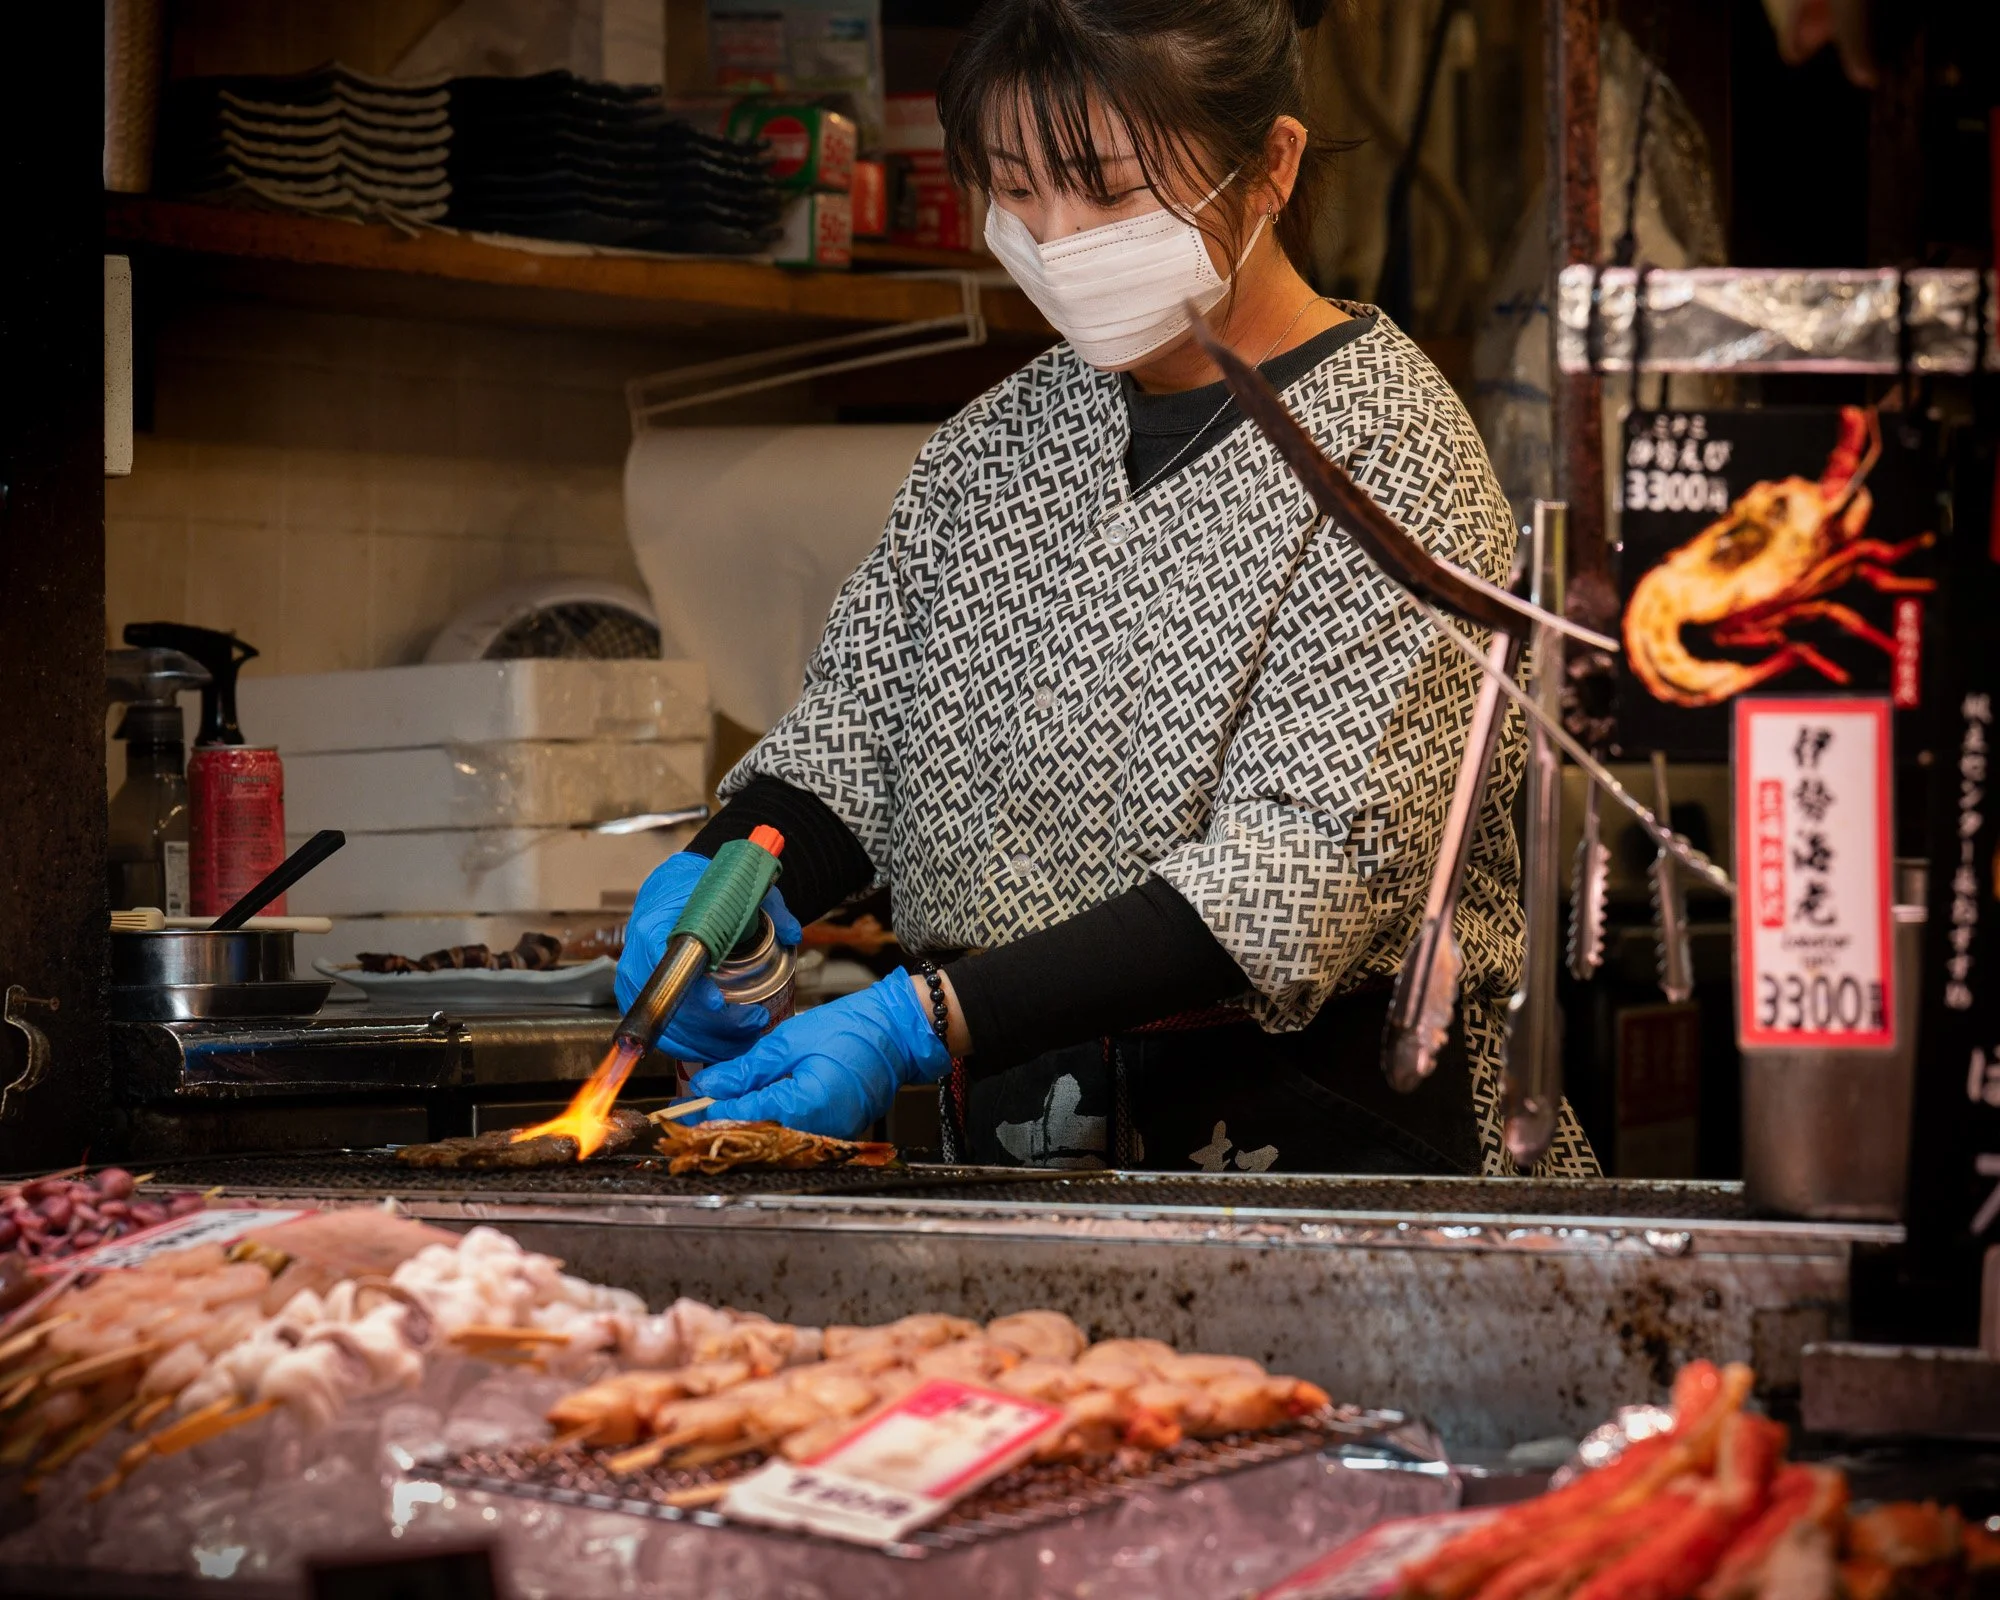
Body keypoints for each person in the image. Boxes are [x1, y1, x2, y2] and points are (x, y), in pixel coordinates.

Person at [619, 0, 1599, 1178]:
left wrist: (917, 1019)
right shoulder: (991, 445)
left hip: (1328, 1149)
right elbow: (855, 741)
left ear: (1270, 166)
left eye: (1108, 190)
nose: (1057, 238)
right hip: (1028, 1144)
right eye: (1016, 189)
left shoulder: (1387, 452)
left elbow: (1297, 875)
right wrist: (721, 875)